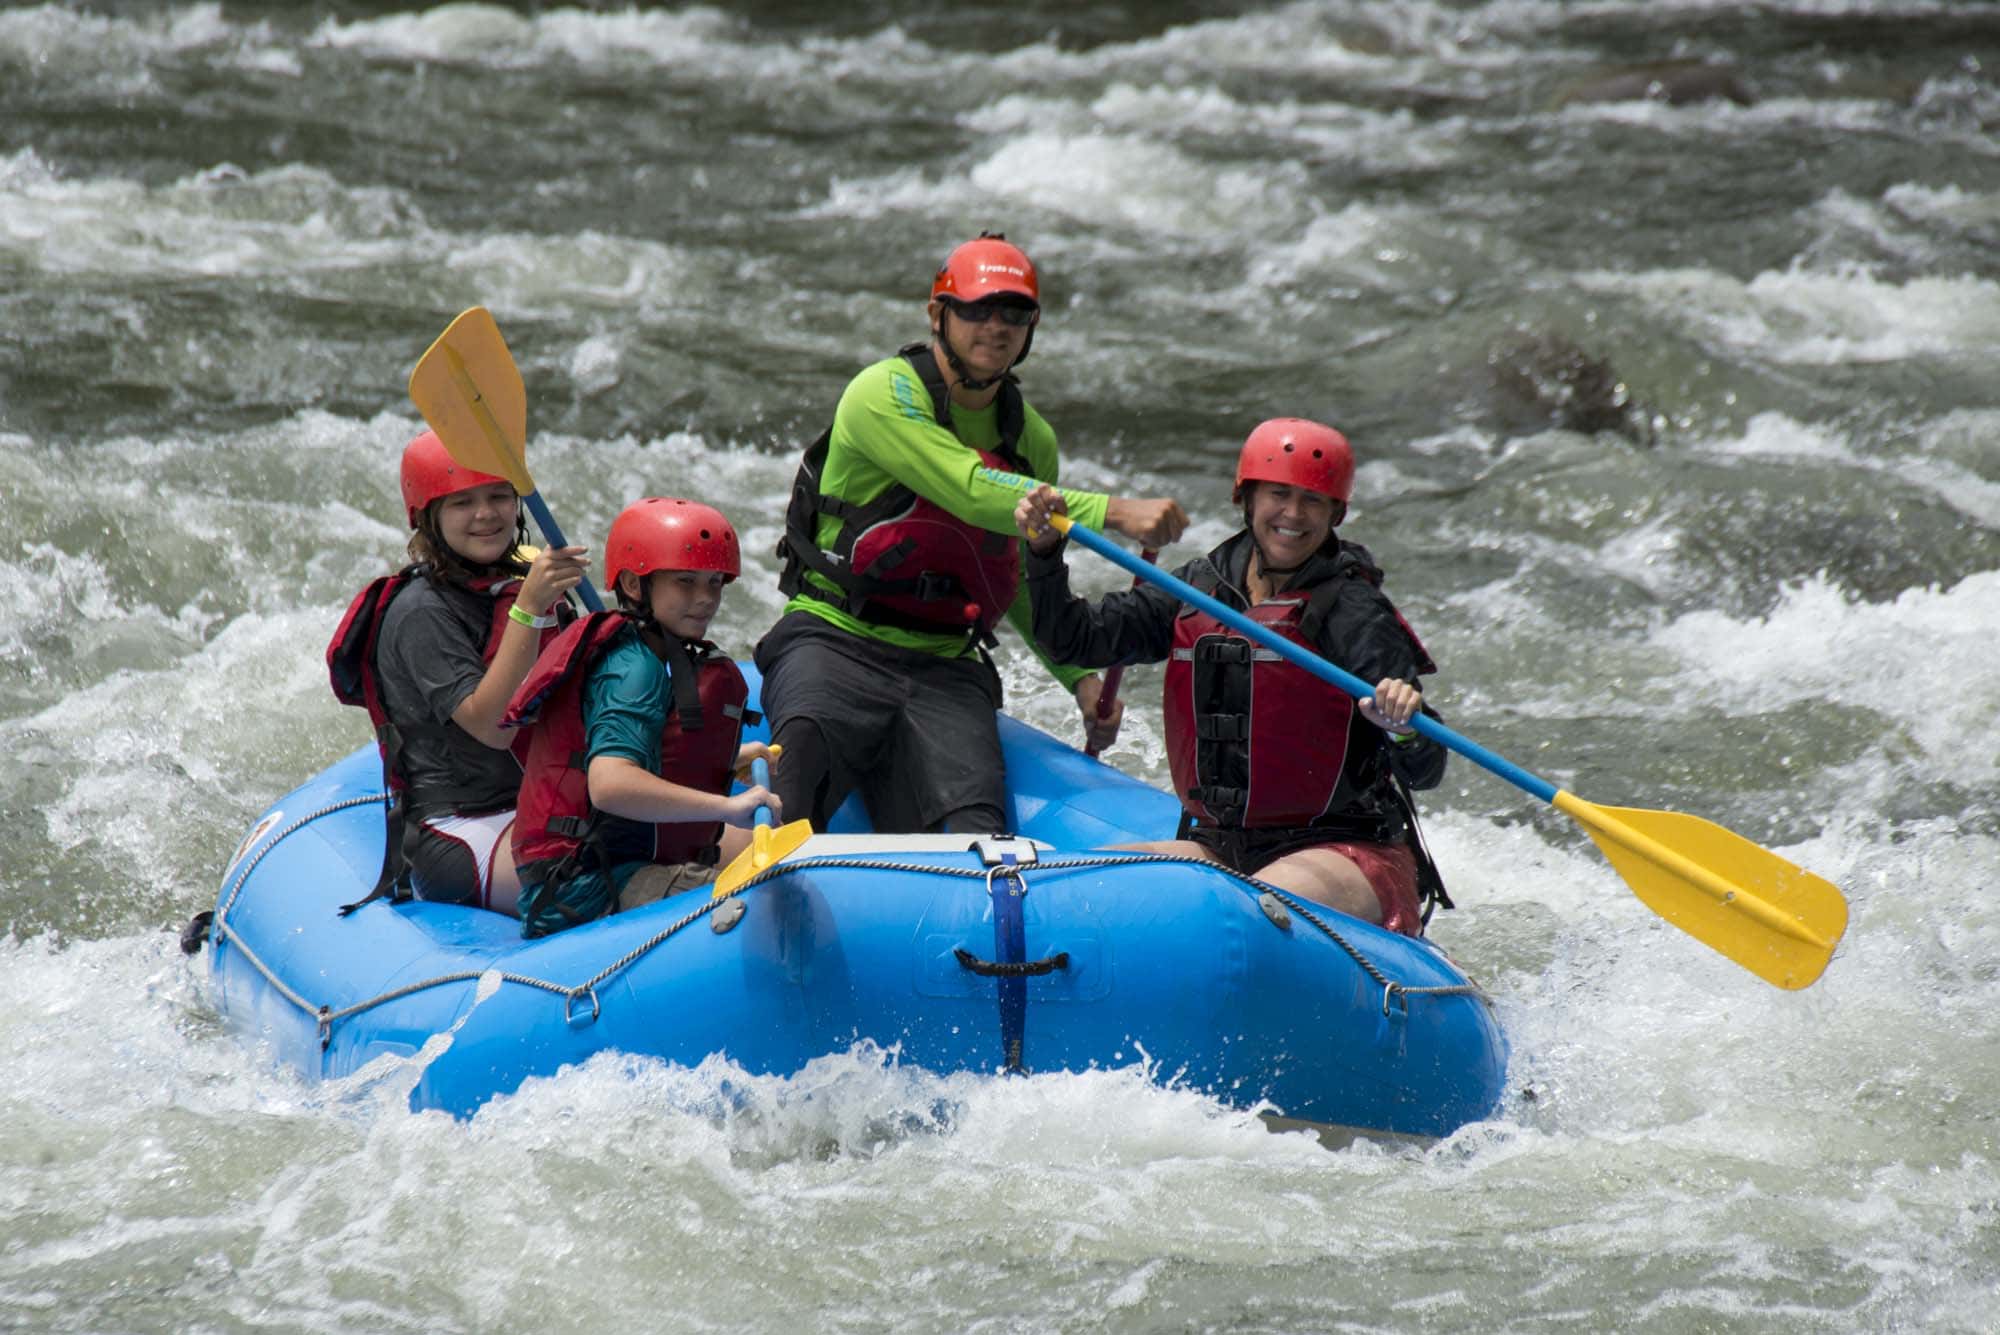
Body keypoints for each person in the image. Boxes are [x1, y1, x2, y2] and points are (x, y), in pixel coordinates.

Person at [759, 231, 1188, 835]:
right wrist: (1113, 511)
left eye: (1014, 313)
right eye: (978, 309)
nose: (997, 326)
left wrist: (1079, 680)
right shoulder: (882, 392)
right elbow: (967, 487)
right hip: (835, 638)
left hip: (947, 664)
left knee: (977, 834)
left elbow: (1009, 577)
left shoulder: (1029, 438)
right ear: (939, 315)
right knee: (793, 780)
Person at [1013, 418, 1450, 935]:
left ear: (1336, 513)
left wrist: (1402, 723)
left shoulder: (1354, 610)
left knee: (1245, 917)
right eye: (1278, 494)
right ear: (1247, 498)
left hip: (1345, 850)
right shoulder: (1201, 587)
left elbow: (1428, 767)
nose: (1293, 514)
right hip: (1220, 846)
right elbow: (1075, 640)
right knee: (1081, 894)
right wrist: (1042, 555)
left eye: (1312, 500)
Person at [327, 429, 589, 915]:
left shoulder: (522, 586)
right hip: (462, 830)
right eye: (462, 502)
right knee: (608, 874)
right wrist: (529, 610)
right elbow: (493, 728)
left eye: (498, 496)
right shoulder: (420, 612)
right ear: (428, 518)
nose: (486, 514)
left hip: (543, 802)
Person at [503, 497, 778, 938]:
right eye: (686, 582)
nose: (706, 598)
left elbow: (646, 750)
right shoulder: (633, 667)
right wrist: (729, 807)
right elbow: (611, 785)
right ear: (634, 584)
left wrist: (727, 760)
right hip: (587, 886)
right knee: (774, 910)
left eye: (715, 583)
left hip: (616, 867)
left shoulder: (655, 652)